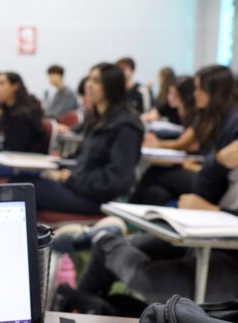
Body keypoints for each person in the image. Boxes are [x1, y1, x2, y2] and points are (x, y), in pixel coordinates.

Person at [56, 65, 238, 311]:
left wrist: (216, 210)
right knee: (119, 243)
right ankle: (78, 309)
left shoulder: (125, 122)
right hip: (203, 237)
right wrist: (219, 162)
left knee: (142, 274)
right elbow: (201, 190)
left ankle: (103, 241)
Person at [14, 63, 144, 215]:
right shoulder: (96, 119)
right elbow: (84, 161)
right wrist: (60, 169)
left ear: (112, 86)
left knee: (22, 189)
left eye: (96, 81)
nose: (88, 85)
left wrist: (70, 178)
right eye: (89, 79)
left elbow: (116, 181)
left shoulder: (126, 126)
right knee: (22, 180)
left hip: (100, 200)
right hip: (81, 188)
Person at [132, 65, 238, 206]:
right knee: (156, 193)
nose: (195, 94)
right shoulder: (207, 116)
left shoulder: (231, 121)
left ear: (214, 91)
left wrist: (195, 166)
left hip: (211, 181)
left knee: (155, 172)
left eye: (200, 89)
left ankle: (126, 211)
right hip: (202, 171)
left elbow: (222, 167)